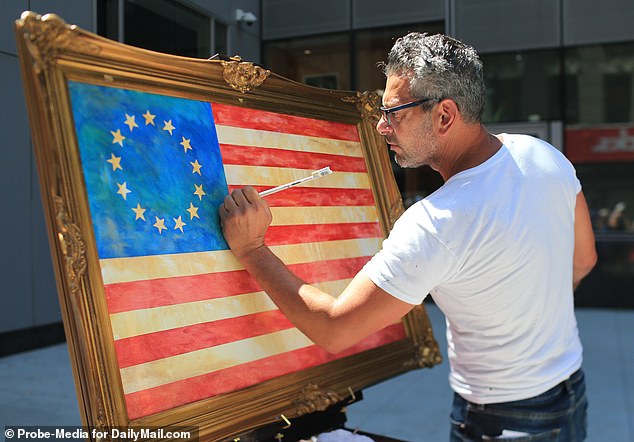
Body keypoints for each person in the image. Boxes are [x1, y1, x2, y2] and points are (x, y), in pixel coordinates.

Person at [219, 33, 597, 441]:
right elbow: (584, 261)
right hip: (570, 392)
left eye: (394, 112)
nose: (381, 126)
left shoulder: (437, 223)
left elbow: (334, 329)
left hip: (503, 419)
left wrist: (253, 248)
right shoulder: (544, 155)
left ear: (445, 116)